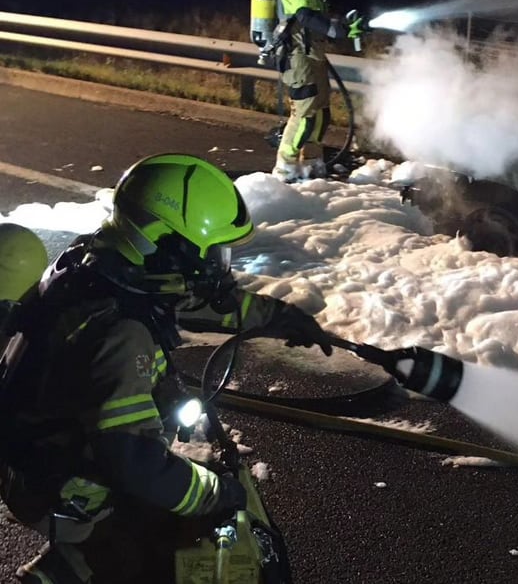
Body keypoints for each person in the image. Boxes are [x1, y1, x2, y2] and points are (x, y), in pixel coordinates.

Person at [0, 153, 333, 583]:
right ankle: (69, 564)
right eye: (213, 254)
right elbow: (135, 461)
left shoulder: (102, 263)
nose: (219, 266)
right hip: (50, 486)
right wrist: (215, 493)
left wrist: (275, 317)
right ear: (168, 246)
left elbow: (192, 298)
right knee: (160, 527)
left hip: (31, 449)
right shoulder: (122, 332)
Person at [270, 0, 366, 183]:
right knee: (306, 114)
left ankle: (311, 165)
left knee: (322, 113)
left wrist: (345, 23)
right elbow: (303, 13)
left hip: (312, 50)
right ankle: (285, 169)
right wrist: (334, 29)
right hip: (296, 51)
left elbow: (318, 12)